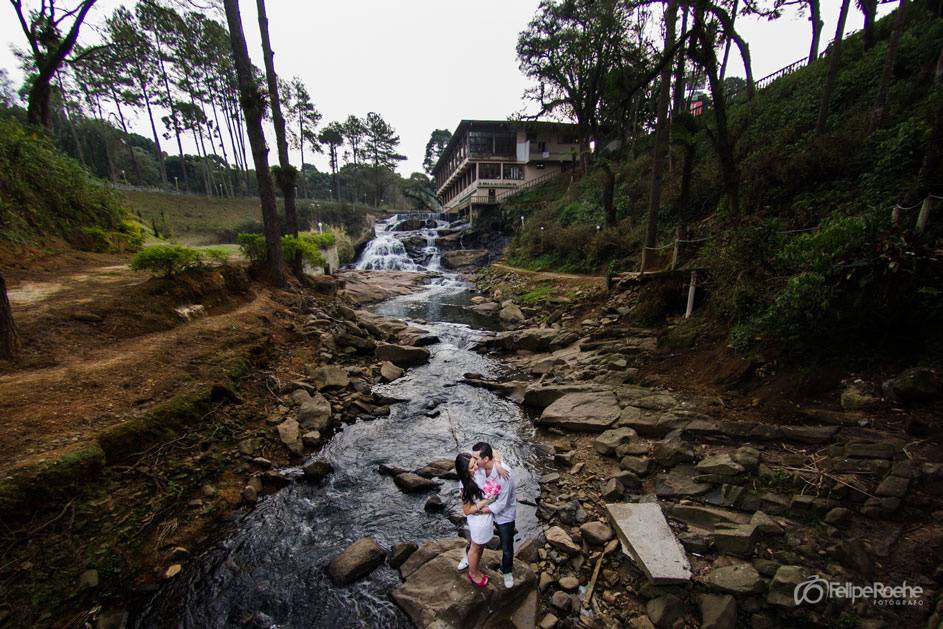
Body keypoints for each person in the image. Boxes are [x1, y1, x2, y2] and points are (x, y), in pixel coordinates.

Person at [456, 442, 518, 588]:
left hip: (504, 514)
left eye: (476, 458)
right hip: (483, 514)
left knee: (507, 545)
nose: (474, 461)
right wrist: (480, 508)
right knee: (476, 542)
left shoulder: (504, 474)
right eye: (473, 460)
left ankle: (507, 571)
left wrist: (481, 509)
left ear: (485, 459)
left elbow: (502, 504)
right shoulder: (475, 469)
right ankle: (469, 559)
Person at [454, 452, 494, 589]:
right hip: (478, 520)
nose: (476, 467)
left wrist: (499, 467)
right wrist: (484, 502)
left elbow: (493, 453)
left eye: (475, 463)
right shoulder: (465, 487)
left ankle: (474, 566)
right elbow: (466, 510)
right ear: (464, 472)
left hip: (486, 517)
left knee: (481, 545)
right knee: (476, 547)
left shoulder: (478, 469)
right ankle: (473, 573)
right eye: (471, 467)